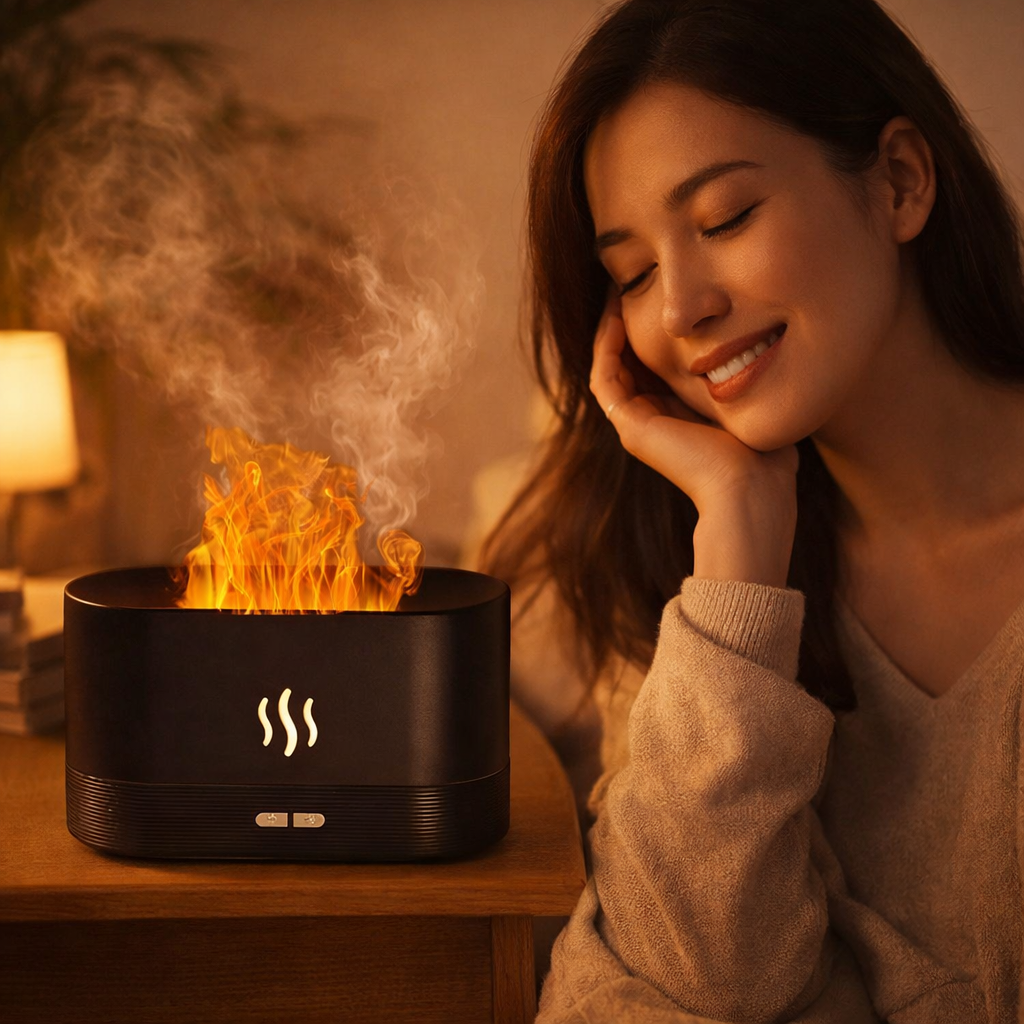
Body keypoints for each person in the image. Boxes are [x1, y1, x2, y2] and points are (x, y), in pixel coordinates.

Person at [481, 0, 1024, 1020]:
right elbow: (672, 986)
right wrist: (734, 544)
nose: (680, 307)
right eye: (631, 274)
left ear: (899, 182)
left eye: (725, 218)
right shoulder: (695, 587)